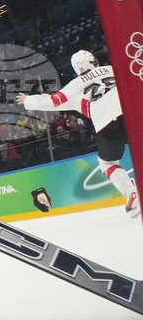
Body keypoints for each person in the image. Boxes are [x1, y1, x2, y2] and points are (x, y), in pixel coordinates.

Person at [18, 50, 139, 216]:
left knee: (108, 164)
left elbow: (53, 101)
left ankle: (130, 191)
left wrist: (28, 100)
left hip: (106, 125)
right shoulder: (112, 69)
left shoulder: (75, 87)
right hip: (132, 114)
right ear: (93, 61)